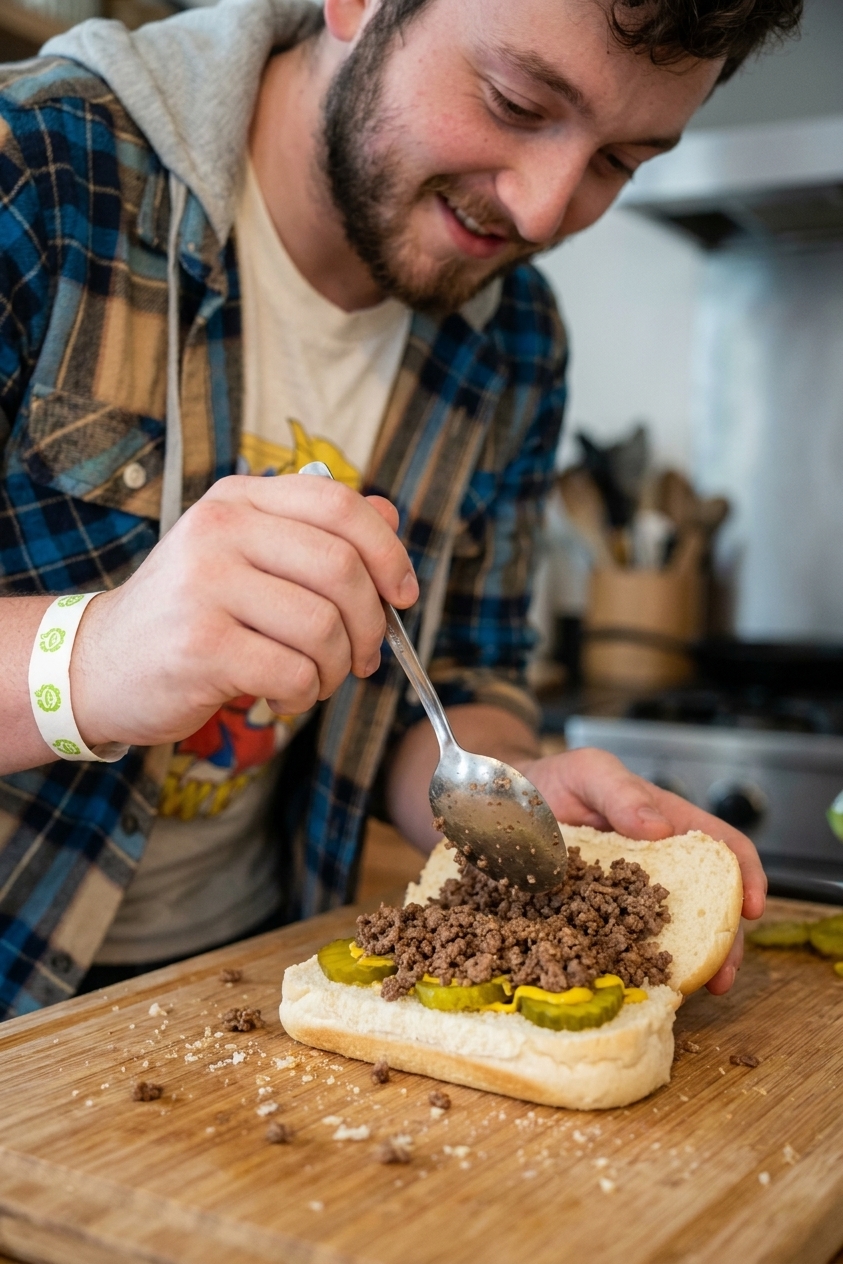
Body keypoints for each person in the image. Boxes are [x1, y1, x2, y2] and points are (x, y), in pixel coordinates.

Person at [0, 0, 799, 1018]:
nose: (547, 212)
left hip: (242, 975)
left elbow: (458, 679)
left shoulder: (515, 344)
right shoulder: (34, 171)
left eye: (619, 163)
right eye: (516, 101)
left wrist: (519, 784)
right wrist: (90, 659)